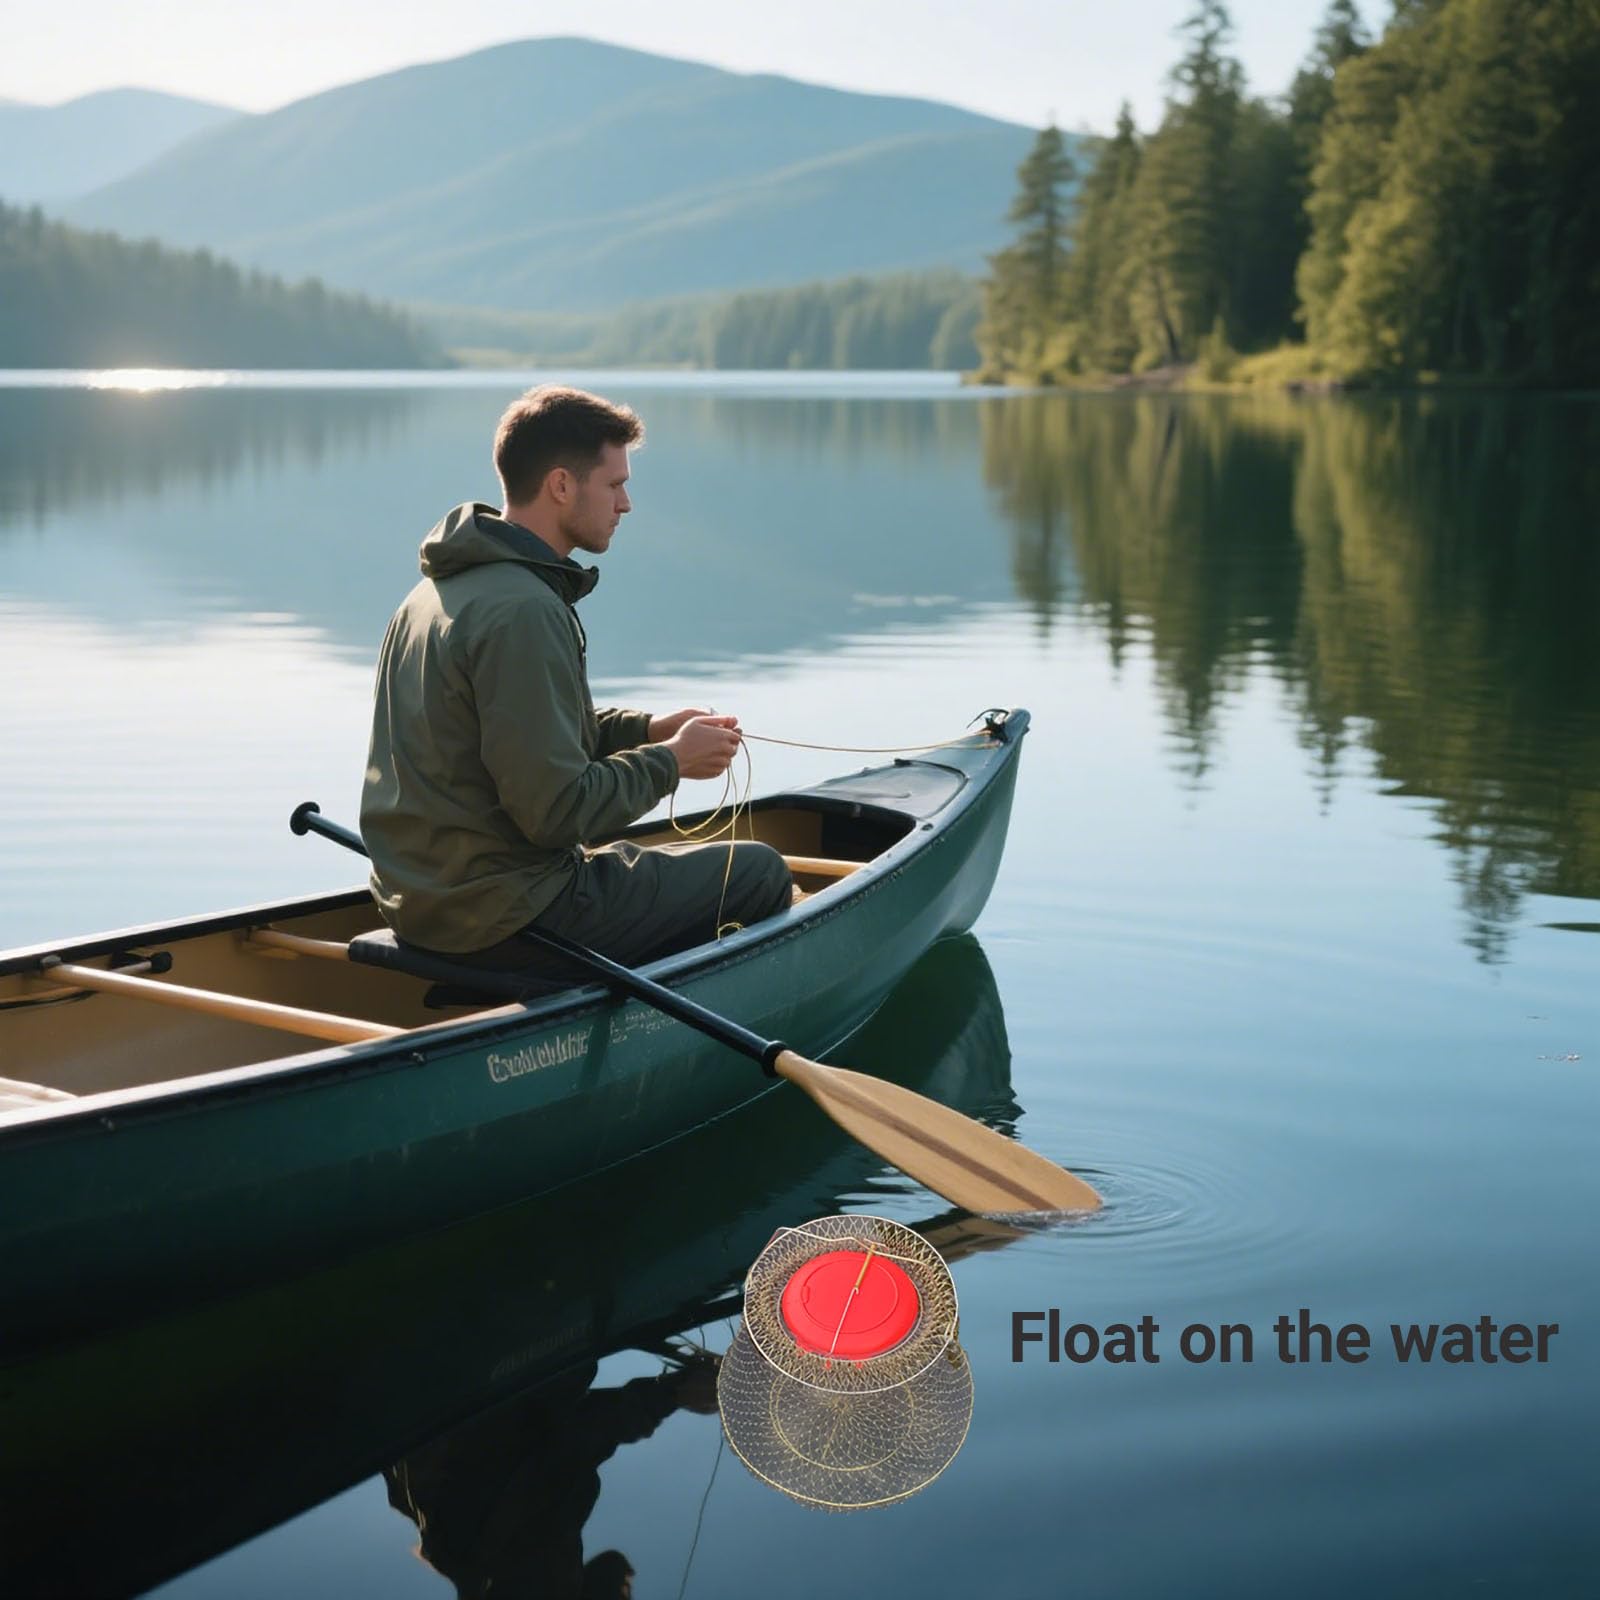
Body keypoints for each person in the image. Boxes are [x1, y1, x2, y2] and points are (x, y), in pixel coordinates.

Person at [361, 385, 791, 982]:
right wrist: (671, 762)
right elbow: (558, 814)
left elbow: (521, 737)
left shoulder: (434, 592)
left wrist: (647, 730)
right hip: (510, 914)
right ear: (562, 485)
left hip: (421, 903)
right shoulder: (523, 610)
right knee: (760, 874)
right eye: (614, 485)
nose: (626, 504)